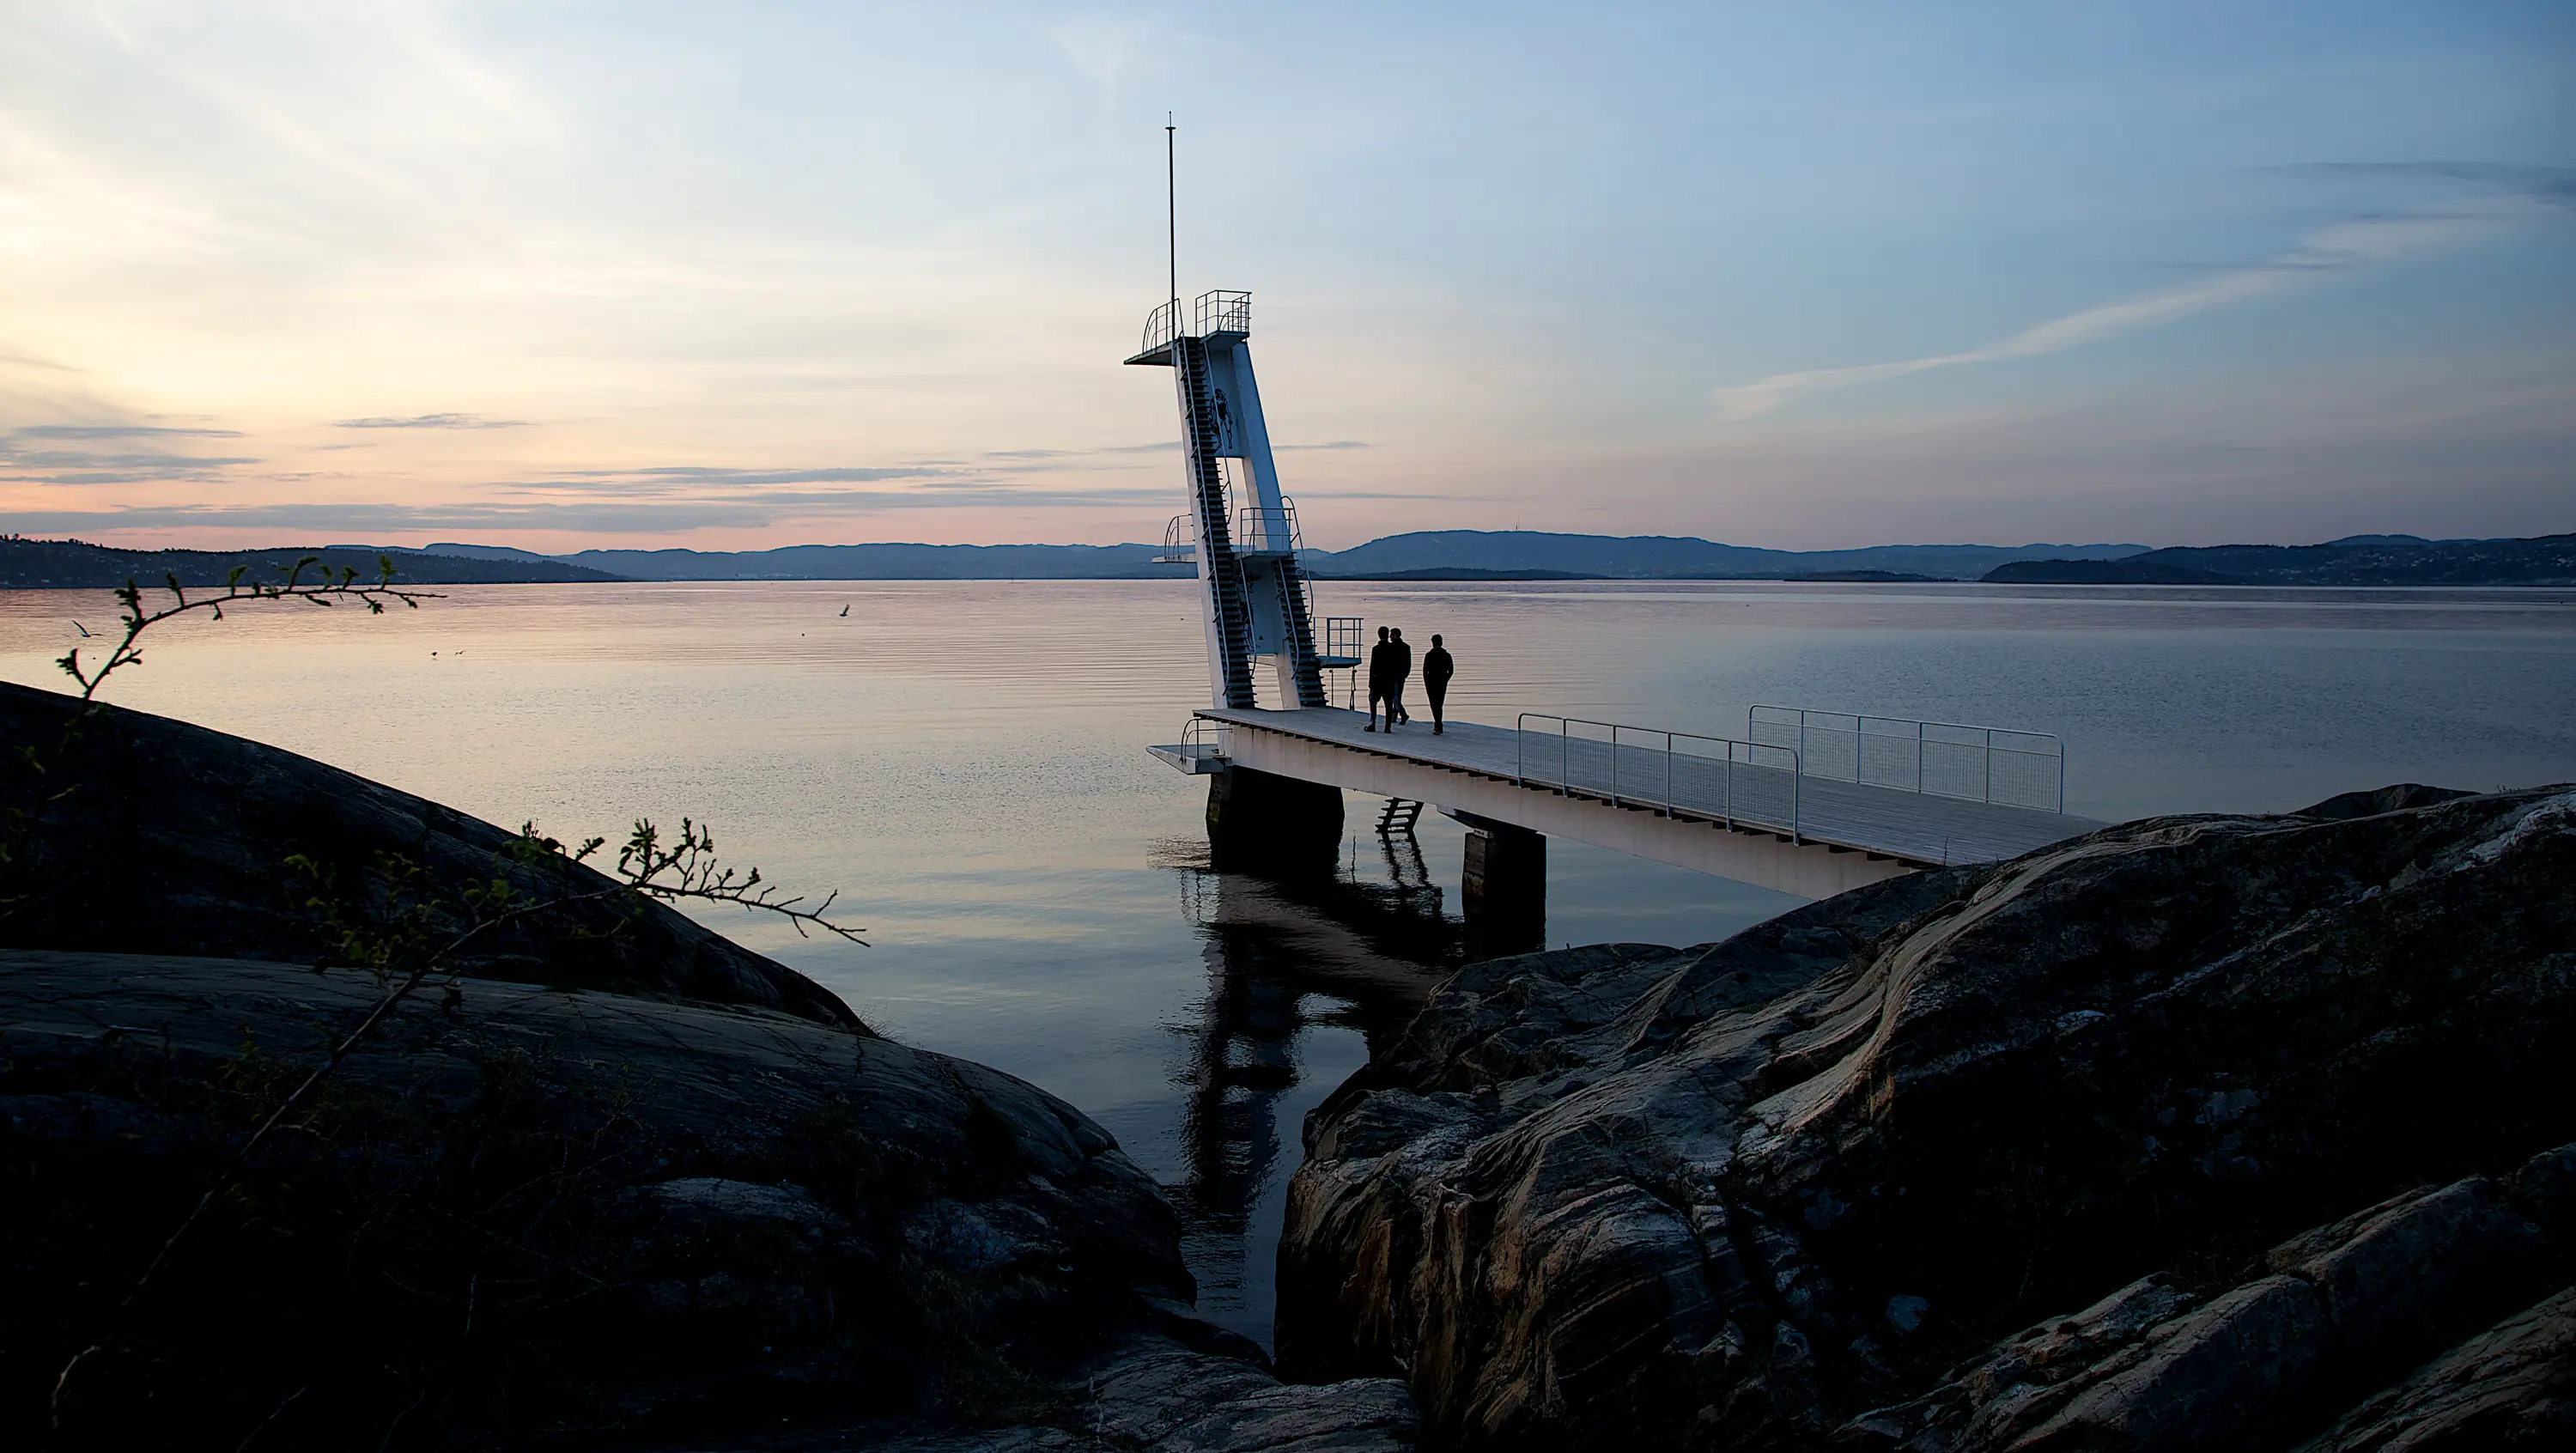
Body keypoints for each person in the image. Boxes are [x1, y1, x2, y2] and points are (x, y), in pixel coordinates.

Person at [1422, 634, 1454, 733]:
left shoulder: (1429, 655)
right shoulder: (1447, 655)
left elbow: (1425, 670)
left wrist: (1427, 682)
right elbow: (1451, 670)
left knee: (1434, 704)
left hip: (1431, 683)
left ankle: (1438, 724)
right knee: (1439, 704)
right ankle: (1438, 724)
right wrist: (1445, 679)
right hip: (1441, 683)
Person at [1364, 626, 1394, 732]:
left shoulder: (1376, 649)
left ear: (1379, 635)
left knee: (1373, 702)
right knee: (1388, 705)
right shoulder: (1392, 648)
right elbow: (1395, 665)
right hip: (1389, 681)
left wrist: (1370, 682)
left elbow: (1373, 667)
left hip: (1377, 681)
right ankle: (1388, 727)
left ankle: (1373, 723)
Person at [1388, 628, 1413, 726]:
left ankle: (1403, 714)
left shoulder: (1392, 647)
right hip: (1400, 676)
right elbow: (1408, 663)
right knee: (1396, 696)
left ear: (1396, 635)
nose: (1390, 637)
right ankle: (1394, 716)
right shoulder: (1405, 647)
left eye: (1392, 635)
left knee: (1395, 697)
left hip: (1395, 676)